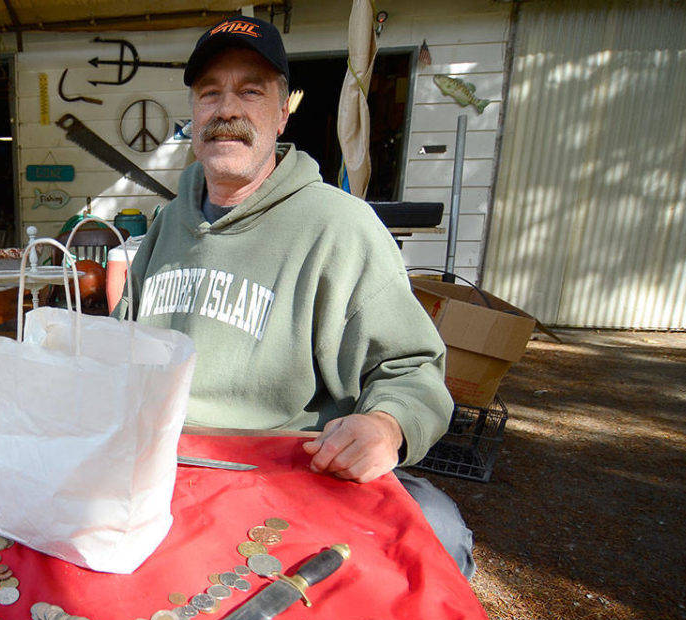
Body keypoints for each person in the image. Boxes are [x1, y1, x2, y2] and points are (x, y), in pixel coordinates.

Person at [112, 15, 474, 577]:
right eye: (211, 93)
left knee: (439, 531)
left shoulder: (340, 227)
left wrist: (386, 426)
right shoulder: (164, 228)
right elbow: (120, 351)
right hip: (162, 466)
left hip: (293, 470)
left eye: (250, 92)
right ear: (194, 114)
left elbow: (411, 368)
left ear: (283, 112)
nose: (227, 109)